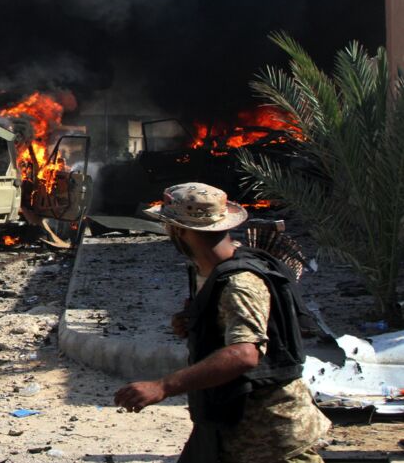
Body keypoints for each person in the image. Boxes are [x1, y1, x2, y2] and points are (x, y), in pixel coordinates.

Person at [114, 183, 330, 463]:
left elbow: (244, 354)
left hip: (270, 437)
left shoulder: (240, 283)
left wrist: (162, 387)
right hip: (228, 428)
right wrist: (196, 323)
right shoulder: (205, 270)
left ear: (179, 230)